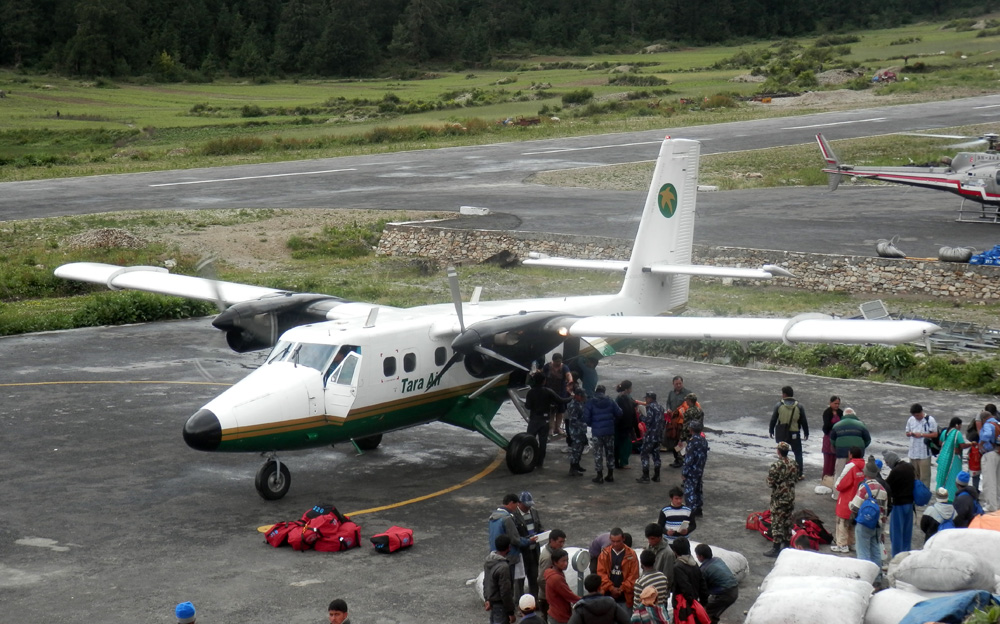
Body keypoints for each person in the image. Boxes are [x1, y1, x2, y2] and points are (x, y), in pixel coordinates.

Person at [849, 456, 889, 586]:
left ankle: (864, 579)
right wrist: (881, 529)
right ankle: (877, 578)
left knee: (863, 550)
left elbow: (854, 506)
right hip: (877, 525)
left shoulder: (864, 487)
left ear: (866, 473)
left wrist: (849, 504)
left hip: (864, 524)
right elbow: (884, 511)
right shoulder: (882, 490)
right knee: (876, 551)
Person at [490, 494, 535, 598]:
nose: (516, 508)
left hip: (496, 553)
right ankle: (512, 608)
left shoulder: (493, 517)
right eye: (516, 505)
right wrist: (529, 541)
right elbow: (515, 539)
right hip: (509, 556)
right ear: (511, 503)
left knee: (500, 584)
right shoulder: (507, 519)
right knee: (509, 584)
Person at [525, 371, 571, 469]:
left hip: (533, 420)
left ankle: (529, 460)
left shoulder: (530, 392)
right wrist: (572, 397)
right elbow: (561, 401)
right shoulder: (548, 391)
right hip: (544, 420)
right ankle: (539, 463)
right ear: (544, 381)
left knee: (529, 440)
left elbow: (527, 406)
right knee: (543, 442)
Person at [764, 441, 798, 557]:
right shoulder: (794, 463)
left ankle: (776, 548)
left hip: (779, 498)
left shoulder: (776, 465)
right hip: (790, 497)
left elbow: (770, 482)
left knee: (777, 522)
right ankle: (787, 545)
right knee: (787, 521)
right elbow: (796, 478)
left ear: (778, 451)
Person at [769, 386, 809, 480]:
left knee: (782, 453)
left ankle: (781, 472)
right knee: (798, 453)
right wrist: (806, 432)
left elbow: (774, 419)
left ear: (784, 394)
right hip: (795, 433)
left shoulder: (779, 405)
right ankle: (799, 474)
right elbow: (803, 421)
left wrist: (771, 430)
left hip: (783, 433)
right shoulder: (799, 406)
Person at [584, 385, 622, 484]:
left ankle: (599, 476)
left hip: (597, 432)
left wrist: (592, 424)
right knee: (610, 453)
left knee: (598, 453)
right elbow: (619, 413)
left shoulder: (591, 401)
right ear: (604, 392)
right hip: (609, 431)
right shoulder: (610, 400)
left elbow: (586, 418)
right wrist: (612, 422)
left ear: (596, 391)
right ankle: (610, 475)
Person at [832, 446, 865, 553]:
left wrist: (836, 485)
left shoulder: (850, 466)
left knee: (842, 522)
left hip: (847, 500)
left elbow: (840, 484)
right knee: (853, 523)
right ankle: (852, 543)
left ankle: (842, 545)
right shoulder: (864, 467)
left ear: (850, 455)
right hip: (859, 500)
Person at [695, 543, 738, 624]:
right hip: (734, 589)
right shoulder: (717, 559)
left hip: (725, 594)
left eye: (697, 555)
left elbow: (703, 591)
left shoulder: (703, 570)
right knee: (714, 612)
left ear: (701, 556)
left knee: (705, 613)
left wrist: (701, 604)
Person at [883, 450, 916, 557]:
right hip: (910, 505)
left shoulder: (896, 471)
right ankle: (906, 557)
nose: (887, 465)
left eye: (887, 462)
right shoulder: (909, 467)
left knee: (896, 534)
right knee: (907, 534)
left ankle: (896, 558)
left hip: (898, 505)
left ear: (891, 461)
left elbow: (886, 486)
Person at [597, 528, 639, 610]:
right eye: (613, 541)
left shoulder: (631, 555)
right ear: (610, 539)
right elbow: (601, 574)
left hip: (625, 598)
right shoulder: (604, 554)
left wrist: (621, 589)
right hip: (607, 596)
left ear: (623, 539)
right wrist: (611, 588)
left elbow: (634, 576)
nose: (615, 544)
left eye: (618, 541)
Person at [669, 538, 708, 621]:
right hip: (694, 602)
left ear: (675, 551)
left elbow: (685, 587)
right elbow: (702, 584)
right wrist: (702, 603)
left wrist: (691, 603)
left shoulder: (678, 567)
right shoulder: (694, 563)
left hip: (684, 605)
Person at [515, 491, 544, 598]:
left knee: (534, 577)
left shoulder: (534, 512)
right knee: (520, 581)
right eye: (526, 505)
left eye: (530, 505)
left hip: (533, 552)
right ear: (519, 503)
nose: (528, 507)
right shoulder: (514, 516)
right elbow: (515, 536)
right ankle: (519, 603)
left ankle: (535, 600)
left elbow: (539, 526)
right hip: (522, 554)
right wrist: (528, 540)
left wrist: (543, 532)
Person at [830, 407, 871, 482]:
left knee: (839, 475)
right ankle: (857, 492)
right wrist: (861, 447)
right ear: (854, 415)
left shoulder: (837, 425)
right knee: (857, 474)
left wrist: (838, 447)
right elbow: (868, 439)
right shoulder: (861, 425)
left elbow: (832, 440)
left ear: (844, 415)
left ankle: (837, 492)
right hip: (858, 454)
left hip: (841, 453)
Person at [936, 417, 972, 501]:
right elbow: (962, 445)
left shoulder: (945, 432)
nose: (960, 427)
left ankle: (940, 494)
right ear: (957, 425)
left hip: (943, 458)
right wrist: (971, 444)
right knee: (953, 477)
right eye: (960, 425)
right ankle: (951, 498)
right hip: (953, 459)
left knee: (942, 476)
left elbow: (941, 443)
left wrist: (948, 447)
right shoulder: (957, 433)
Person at [905, 403, 938, 490]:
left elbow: (935, 434)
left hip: (924, 453)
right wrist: (910, 434)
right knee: (914, 476)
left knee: (925, 477)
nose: (916, 417)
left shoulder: (930, 420)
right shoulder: (911, 420)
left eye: (918, 415)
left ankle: (924, 494)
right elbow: (907, 432)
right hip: (913, 452)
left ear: (921, 412)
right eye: (915, 416)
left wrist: (922, 434)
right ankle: (915, 494)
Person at [544, 548, 581, 624]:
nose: (566, 563)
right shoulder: (556, 578)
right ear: (555, 562)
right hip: (559, 616)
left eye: (567, 560)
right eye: (563, 561)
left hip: (554, 612)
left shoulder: (552, 572)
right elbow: (569, 595)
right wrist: (585, 600)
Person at [485, 534, 517, 624]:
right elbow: (505, 592)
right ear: (509, 547)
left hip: (492, 603)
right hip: (500, 605)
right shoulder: (504, 567)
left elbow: (486, 581)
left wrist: (487, 599)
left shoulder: (489, 561)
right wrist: (510, 612)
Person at [537, 528, 567, 618]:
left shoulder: (553, 552)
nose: (562, 545)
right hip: (547, 598)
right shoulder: (548, 558)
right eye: (560, 542)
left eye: (563, 542)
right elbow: (541, 579)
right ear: (552, 541)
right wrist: (552, 592)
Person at [682, 420, 709, 516]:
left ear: (691, 429)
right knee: (698, 489)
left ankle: (691, 511)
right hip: (699, 469)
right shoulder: (703, 440)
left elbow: (688, 459)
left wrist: (684, 473)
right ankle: (698, 509)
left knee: (689, 491)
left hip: (691, 471)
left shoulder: (692, 441)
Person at [636, 391, 664, 484]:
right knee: (656, 455)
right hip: (658, 435)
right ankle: (657, 475)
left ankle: (645, 476)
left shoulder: (650, 407)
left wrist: (641, 416)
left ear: (650, 398)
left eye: (646, 398)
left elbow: (648, 420)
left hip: (650, 435)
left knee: (644, 454)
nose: (645, 400)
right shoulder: (660, 407)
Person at [543, 353, 574, 437]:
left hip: (561, 393)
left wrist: (570, 381)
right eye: (557, 361)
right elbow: (543, 376)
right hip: (550, 392)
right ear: (553, 361)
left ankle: (558, 427)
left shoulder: (564, 367)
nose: (558, 363)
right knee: (551, 412)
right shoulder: (547, 366)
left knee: (560, 412)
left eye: (560, 361)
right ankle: (551, 428)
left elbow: (568, 374)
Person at [663, 376, 690, 465]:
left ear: (682, 383)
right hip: (673, 423)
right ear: (673, 384)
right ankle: (677, 459)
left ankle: (682, 459)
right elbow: (668, 403)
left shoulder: (688, 394)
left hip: (683, 422)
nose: (678, 385)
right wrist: (668, 409)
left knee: (682, 441)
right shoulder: (671, 393)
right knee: (673, 440)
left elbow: (691, 407)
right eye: (676, 384)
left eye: (680, 383)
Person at [614, 380, 640, 470]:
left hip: (620, 426)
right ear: (627, 389)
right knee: (626, 445)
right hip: (624, 426)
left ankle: (617, 461)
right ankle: (623, 462)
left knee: (618, 444)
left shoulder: (622, 398)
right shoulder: (623, 398)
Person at [643, 523, 675, 592]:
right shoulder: (649, 546)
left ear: (660, 537)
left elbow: (668, 576)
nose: (650, 541)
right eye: (648, 538)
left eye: (652, 539)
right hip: (647, 588)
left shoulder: (668, 553)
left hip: (660, 591)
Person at [979, 408, 1000, 513]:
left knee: (989, 481)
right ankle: (998, 504)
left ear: (983, 419)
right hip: (998, 452)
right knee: (997, 481)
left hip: (990, 454)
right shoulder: (998, 423)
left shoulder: (988, 424)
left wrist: (981, 443)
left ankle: (991, 506)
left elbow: (987, 435)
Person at [566, 387, 589, 476]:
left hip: (581, 431)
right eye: (582, 396)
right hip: (575, 431)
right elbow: (573, 421)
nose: (584, 398)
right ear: (577, 396)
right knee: (575, 450)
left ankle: (577, 465)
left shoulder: (580, 403)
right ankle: (573, 468)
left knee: (580, 448)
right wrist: (584, 424)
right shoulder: (573, 405)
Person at [821, 396, 843, 482]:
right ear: (830, 403)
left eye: (838, 404)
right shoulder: (827, 412)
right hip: (828, 437)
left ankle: (835, 479)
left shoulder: (841, 413)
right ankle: (826, 479)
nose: (837, 405)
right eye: (835, 403)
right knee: (828, 459)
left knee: (836, 459)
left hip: (838, 438)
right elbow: (826, 425)